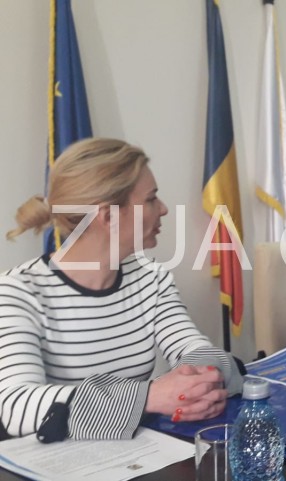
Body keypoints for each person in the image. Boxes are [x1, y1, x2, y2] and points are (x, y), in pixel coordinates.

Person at [0, 138, 242, 441]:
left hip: (138, 455)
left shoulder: (152, 278)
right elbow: (16, 407)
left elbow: (192, 347)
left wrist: (198, 380)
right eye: (151, 199)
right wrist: (150, 396)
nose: (163, 209)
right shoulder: (16, 292)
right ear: (108, 215)